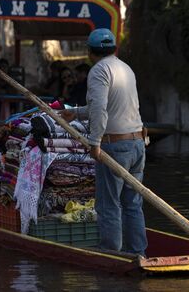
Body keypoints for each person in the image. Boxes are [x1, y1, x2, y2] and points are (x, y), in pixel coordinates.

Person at [61, 28, 148, 257]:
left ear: (90, 52)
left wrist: (94, 142)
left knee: (109, 204)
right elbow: (107, 107)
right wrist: (76, 113)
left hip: (115, 145)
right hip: (137, 143)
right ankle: (138, 253)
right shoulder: (125, 68)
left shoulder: (98, 71)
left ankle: (112, 254)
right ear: (114, 49)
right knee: (132, 204)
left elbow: (100, 109)